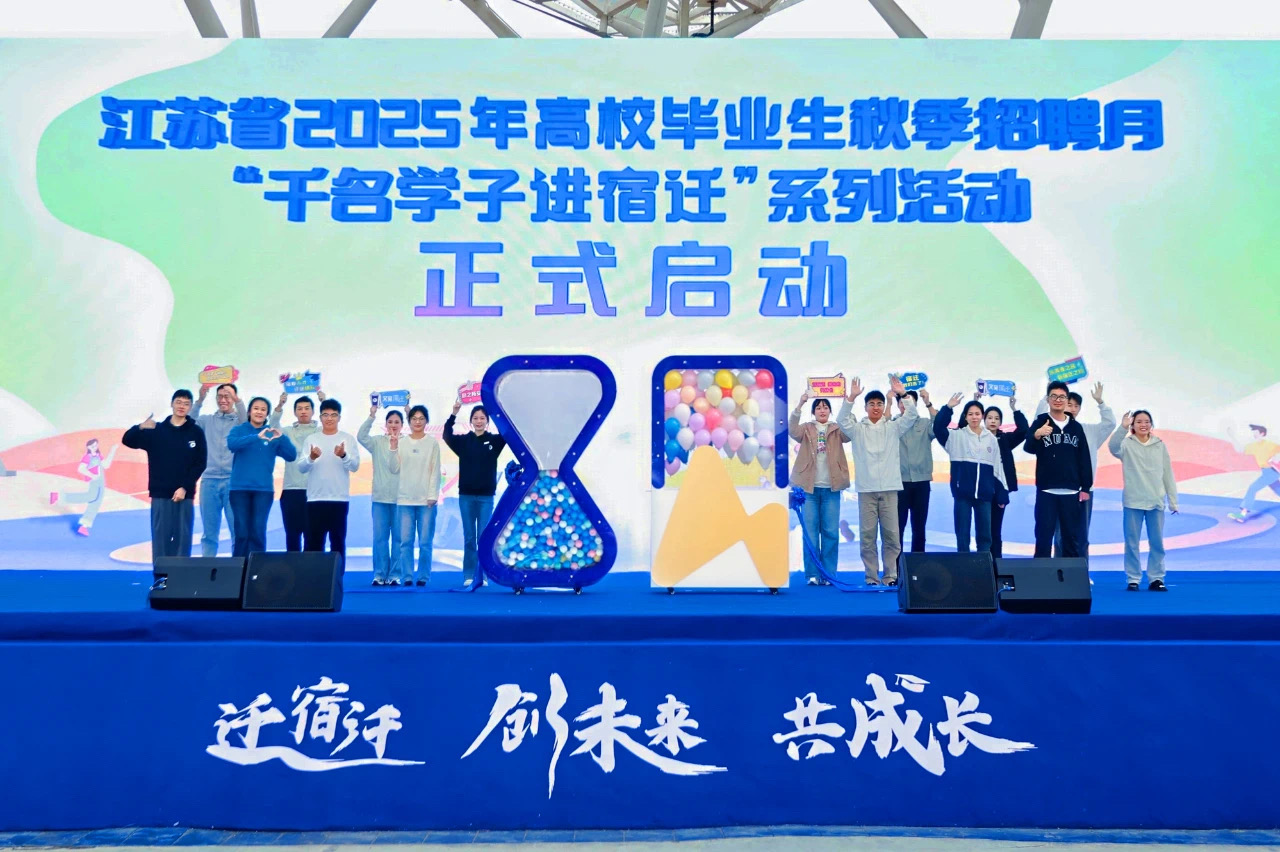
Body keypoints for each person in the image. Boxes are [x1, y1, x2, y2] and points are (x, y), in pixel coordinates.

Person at [836, 375, 916, 586]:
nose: (876, 407)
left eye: (879, 404)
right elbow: (841, 420)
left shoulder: (893, 427)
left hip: (890, 490)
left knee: (892, 537)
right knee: (867, 537)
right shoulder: (857, 429)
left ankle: (890, 576)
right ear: (865, 407)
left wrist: (902, 393)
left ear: (883, 406)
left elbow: (912, 415)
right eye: (871, 404)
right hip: (866, 490)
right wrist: (851, 398)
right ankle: (871, 577)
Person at [121, 390, 207, 560]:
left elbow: (200, 463)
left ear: (190, 407)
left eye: (186, 403)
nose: (182, 406)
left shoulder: (195, 432)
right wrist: (140, 427)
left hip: (184, 495)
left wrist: (185, 487)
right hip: (160, 494)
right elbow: (128, 440)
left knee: (183, 540)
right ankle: (161, 575)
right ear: (172, 404)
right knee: (161, 540)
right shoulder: (157, 430)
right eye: (178, 402)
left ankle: (181, 575)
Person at [1035, 382, 1115, 555]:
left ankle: (1080, 569)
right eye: (1069, 404)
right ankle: (1059, 569)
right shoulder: (1049, 426)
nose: (1071, 408)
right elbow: (1037, 422)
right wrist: (1046, 395)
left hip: (1083, 490)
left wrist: (1100, 402)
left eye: (1075, 405)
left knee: (1080, 535)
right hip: (1057, 488)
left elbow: (1110, 424)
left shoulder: (1089, 430)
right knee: (1057, 535)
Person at [1109, 410, 1178, 591]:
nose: (1143, 425)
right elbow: (1112, 447)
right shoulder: (1126, 444)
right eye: (1139, 421)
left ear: (1151, 424)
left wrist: (1173, 500)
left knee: (1157, 542)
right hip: (1133, 500)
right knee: (1132, 543)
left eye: (1146, 421)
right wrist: (1122, 428)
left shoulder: (1159, 445)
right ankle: (1133, 578)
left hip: (1156, 500)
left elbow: (1167, 473)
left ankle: (1156, 578)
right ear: (1133, 425)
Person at [1024, 381, 1094, 558]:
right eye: (1054, 396)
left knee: (1071, 538)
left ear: (1066, 400)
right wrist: (1037, 434)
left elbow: (1084, 458)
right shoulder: (1041, 422)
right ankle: (1042, 574)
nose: (1058, 400)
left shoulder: (1075, 427)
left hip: (1071, 491)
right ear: (1048, 399)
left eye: (1062, 397)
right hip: (1046, 490)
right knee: (1043, 538)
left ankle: (1070, 574)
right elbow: (1028, 448)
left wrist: (1086, 487)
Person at [443, 398, 508, 586]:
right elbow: (447, 435)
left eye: (482, 418)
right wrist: (454, 413)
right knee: (470, 538)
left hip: (486, 497)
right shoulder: (464, 441)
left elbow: (508, 432)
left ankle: (483, 576)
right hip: (466, 497)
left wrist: (496, 410)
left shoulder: (495, 441)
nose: (479, 421)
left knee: (483, 538)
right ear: (471, 421)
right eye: (476, 418)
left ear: (487, 421)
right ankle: (469, 575)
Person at [789, 393, 851, 585]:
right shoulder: (806, 428)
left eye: (825, 407)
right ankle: (812, 574)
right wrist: (800, 403)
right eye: (818, 408)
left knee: (831, 532)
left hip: (831, 489)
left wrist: (848, 403)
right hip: (809, 490)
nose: (822, 410)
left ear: (830, 411)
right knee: (810, 533)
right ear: (813, 412)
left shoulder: (837, 429)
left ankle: (829, 574)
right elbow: (792, 430)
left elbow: (850, 434)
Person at [933, 396, 1006, 553]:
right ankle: (963, 566)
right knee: (962, 536)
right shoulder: (956, 436)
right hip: (962, 495)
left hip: (984, 495)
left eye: (977, 414)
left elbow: (997, 467)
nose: (974, 417)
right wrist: (948, 408)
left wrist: (1001, 492)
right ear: (965, 417)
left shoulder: (991, 439)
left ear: (982, 416)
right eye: (970, 414)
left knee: (985, 537)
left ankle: (983, 565)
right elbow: (938, 427)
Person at [227, 397, 297, 559]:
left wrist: (282, 437)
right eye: (256, 408)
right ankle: (238, 569)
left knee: (258, 532)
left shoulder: (272, 434)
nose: (259, 412)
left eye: (263, 409)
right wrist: (256, 437)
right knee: (241, 532)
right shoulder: (239, 430)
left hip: (263, 491)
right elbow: (232, 445)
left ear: (267, 414)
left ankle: (256, 570)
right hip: (239, 489)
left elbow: (291, 455)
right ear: (249, 411)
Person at [297, 399, 361, 565]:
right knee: (313, 544)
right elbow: (301, 467)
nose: (329, 418)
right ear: (320, 417)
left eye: (333, 415)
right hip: (315, 499)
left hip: (339, 499)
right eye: (325, 415)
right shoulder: (311, 438)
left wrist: (343, 455)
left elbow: (354, 466)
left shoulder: (347, 439)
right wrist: (311, 457)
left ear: (339, 417)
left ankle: (337, 578)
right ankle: (312, 578)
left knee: (337, 543)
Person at [192, 382, 247, 557]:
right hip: (209, 481)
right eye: (220, 396)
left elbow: (247, 422)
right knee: (209, 533)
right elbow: (189, 422)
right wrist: (200, 400)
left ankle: (238, 567)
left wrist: (238, 401)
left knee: (236, 530)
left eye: (228, 396)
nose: (223, 400)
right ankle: (206, 567)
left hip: (233, 482)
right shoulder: (207, 420)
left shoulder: (239, 422)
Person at [269, 391, 324, 551]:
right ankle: (293, 567)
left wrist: (324, 401)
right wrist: (280, 405)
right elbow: (273, 427)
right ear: (294, 412)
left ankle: (312, 567)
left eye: (307, 408)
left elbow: (330, 422)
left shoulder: (320, 431)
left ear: (313, 411)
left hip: (315, 491)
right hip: (291, 490)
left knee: (313, 536)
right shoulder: (287, 432)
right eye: (299, 408)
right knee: (292, 536)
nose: (303, 411)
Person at [396, 404, 442, 586]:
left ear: (427, 421)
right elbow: (394, 468)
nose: (417, 422)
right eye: (414, 418)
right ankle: (406, 576)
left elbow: (435, 471)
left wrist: (432, 495)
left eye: (421, 418)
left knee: (425, 542)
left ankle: (423, 576)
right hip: (405, 499)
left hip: (426, 501)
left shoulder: (432, 443)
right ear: (409, 421)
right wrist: (391, 448)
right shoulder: (401, 442)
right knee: (405, 542)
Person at [358, 402, 403, 586]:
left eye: (397, 422)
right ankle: (379, 574)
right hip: (380, 498)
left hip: (401, 499)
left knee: (399, 539)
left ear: (402, 425)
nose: (393, 425)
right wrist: (372, 415)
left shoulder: (407, 443)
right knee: (380, 539)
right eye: (390, 421)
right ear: (385, 424)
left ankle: (395, 575)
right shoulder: (377, 442)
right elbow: (361, 436)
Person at [984, 395, 1029, 558]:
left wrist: (1015, 409)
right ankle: (983, 564)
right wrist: (977, 402)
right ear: (984, 420)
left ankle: (996, 564)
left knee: (995, 530)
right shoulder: (976, 438)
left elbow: (1023, 430)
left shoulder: (1005, 439)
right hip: (981, 489)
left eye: (996, 418)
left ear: (1000, 422)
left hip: (1000, 490)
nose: (993, 421)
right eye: (989, 418)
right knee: (983, 530)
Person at [895, 389, 937, 553]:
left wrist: (928, 403)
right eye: (902, 402)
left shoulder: (925, 423)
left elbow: (939, 426)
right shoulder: (893, 424)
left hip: (921, 482)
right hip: (899, 483)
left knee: (919, 528)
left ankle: (918, 564)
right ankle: (896, 565)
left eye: (910, 402)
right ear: (899, 405)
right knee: (897, 528)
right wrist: (888, 402)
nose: (906, 405)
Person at [50, 438, 119, 536]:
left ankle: (84, 526)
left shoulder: (98, 455)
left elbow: (106, 465)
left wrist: (112, 450)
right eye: (92, 446)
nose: (95, 447)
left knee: (95, 502)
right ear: (88, 447)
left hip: (101, 481)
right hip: (95, 481)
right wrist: (92, 475)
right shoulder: (87, 457)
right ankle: (58, 496)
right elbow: (81, 469)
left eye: (96, 445)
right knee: (91, 497)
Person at [1228, 424, 1280, 522]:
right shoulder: (1253, 446)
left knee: (1252, 488)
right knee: (1278, 490)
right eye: (1253, 432)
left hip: (1272, 472)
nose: (1254, 434)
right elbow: (1240, 450)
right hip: (1266, 472)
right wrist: (1232, 436)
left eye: (1256, 433)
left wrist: (1277, 457)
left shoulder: (1270, 445)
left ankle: (1242, 515)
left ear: (1262, 433)